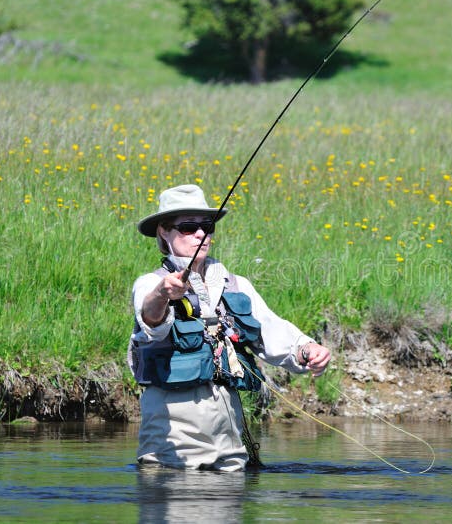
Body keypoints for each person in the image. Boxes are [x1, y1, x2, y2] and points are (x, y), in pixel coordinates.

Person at [128, 184, 330, 471]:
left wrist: (306, 348)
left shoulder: (236, 285)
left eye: (207, 226)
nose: (201, 234)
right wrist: (163, 294)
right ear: (163, 231)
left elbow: (270, 330)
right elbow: (152, 323)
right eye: (188, 227)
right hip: (171, 450)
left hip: (230, 447)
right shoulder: (150, 284)